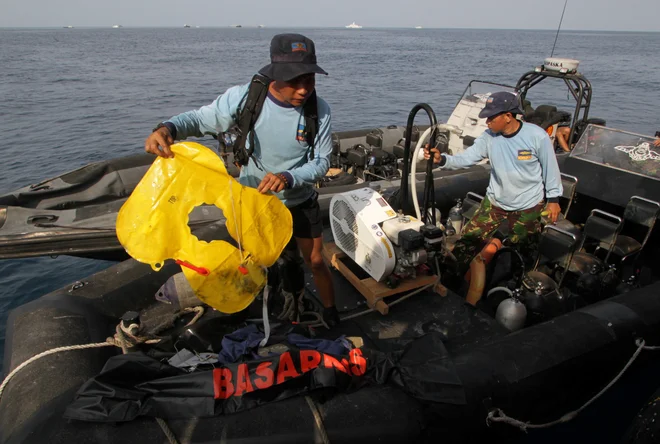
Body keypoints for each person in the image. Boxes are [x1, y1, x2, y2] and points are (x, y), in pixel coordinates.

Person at [144, 33, 340, 326]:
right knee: (259, 258)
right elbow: (200, 119)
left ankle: (329, 311)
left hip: (298, 199)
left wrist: (289, 177)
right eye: (295, 80)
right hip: (254, 200)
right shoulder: (247, 97)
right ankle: (269, 299)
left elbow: (321, 162)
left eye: (309, 79)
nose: (303, 89)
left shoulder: (319, 111)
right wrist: (168, 127)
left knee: (314, 260)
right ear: (275, 74)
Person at [425, 91, 563, 273]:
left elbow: (550, 168)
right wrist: (442, 160)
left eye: (491, 117)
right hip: (495, 202)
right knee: (467, 241)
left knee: (524, 250)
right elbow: (468, 158)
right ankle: (452, 275)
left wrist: (554, 200)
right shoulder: (489, 137)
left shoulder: (537, 136)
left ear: (508, 116)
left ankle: (518, 283)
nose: (487, 121)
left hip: (528, 205)